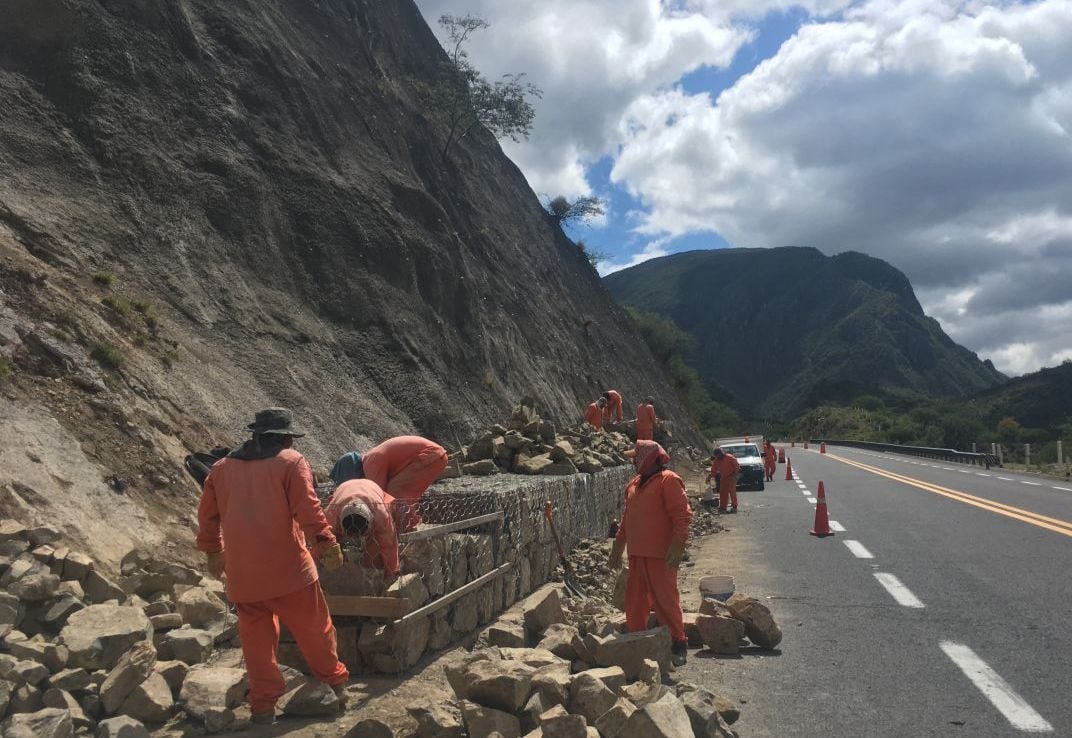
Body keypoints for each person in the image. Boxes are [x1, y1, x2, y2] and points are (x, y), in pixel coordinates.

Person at [197, 408, 348, 725]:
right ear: (285, 437)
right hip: (291, 573)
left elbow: (207, 517)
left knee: (257, 647)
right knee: (315, 631)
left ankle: (262, 707)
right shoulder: (291, 462)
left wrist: (213, 550)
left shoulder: (221, 469)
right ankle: (336, 685)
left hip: (244, 579)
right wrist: (327, 544)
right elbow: (309, 509)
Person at [609, 440, 692, 667]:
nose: (633, 460)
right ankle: (638, 641)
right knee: (634, 601)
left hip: (660, 555)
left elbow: (681, 516)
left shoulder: (669, 481)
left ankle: (678, 643)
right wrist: (618, 546)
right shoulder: (635, 484)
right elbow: (628, 519)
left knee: (665, 601)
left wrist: (678, 544)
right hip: (637, 554)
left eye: (637, 457)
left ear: (647, 458)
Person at [336, 436, 448, 533]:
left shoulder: (370, 464)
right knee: (399, 491)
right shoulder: (371, 459)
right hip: (433, 455)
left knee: (395, 491)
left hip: (430, 455)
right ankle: (409, 524)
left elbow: (379, 498)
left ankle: (408, 528)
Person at [324, 478, 400, 584]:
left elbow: (389, 544)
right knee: (333, 550)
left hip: (371, 487)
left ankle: (372, 579)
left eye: (359, 534)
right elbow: (322, 540)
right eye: (352, 534)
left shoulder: (380, 514)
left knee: (374, 554)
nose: (356, 538)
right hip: (344, 488)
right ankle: (344, 571)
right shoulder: (331, 514)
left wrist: (391, 572)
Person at [707, 445, 740, 513]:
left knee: (732, 492)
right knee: (723, 493)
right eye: (717, 455)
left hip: (732, 476)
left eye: (719, 455)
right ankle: (723, 507)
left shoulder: (730, 457)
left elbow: (736, 466)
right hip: (724, 478)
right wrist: (709, 477)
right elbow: (714, 470)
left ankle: (734, 507)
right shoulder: (716, 461)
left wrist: (735, 474)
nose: (718, 456)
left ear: (722, 453)